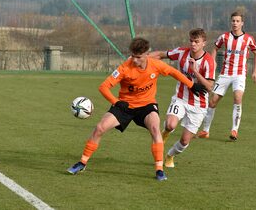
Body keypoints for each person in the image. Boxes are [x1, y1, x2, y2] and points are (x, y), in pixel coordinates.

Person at [67, 37, 205, 181]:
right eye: (132, 56)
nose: (134, 60)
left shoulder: (156, 65)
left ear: (147, 54)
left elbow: (173, 72)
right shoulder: (125, 68)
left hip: (147, 105)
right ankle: (82, 163)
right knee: (100, 128)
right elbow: (104, 87)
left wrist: (192, 85)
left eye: (138, 57)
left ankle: (159, 170)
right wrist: (116, 102)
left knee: (155, 129)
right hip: (125, 105)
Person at [149, 28, 215, 168]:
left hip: (199, 105)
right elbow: (161, 54)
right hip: (180, 98)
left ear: (204, 43)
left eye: (196, 42)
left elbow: (210, 87)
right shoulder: (181, 52)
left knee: (185, 141)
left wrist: (195, 71)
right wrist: (143, 57)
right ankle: (165, 133)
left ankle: (170, 156)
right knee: (170, 124)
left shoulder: (209, 61)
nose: (193, 44)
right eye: (191, 41)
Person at [197, 11, 256, 141]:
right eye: (233, 21)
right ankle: (205, 131)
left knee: (237, 97)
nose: (235, 23)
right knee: (213, 101)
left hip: (240, 74)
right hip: (225, 74)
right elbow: (214, 48)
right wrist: (212, 62)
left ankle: (234, 130)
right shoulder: (224, 37)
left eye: (237, 21)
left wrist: (255, 71)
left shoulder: (248, 39)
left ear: (242, 23)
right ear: (231, 22)